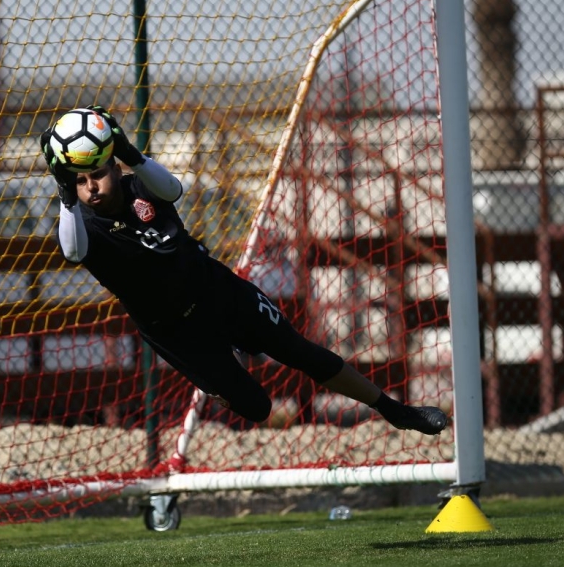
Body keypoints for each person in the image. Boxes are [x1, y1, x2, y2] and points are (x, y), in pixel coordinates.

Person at [41, 106, 448, 435]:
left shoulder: (142, 185)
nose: (91, 187)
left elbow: (174, 190)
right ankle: (220, 370)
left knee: (301, 352)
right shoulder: (81, 225)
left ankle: (395, 410)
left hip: (215, 289)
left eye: (98, 173)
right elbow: (73, 253)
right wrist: (64, 192)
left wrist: (130, 152)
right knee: (258, 407)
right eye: (79, 181)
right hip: (175, 333)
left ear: (115, 168)